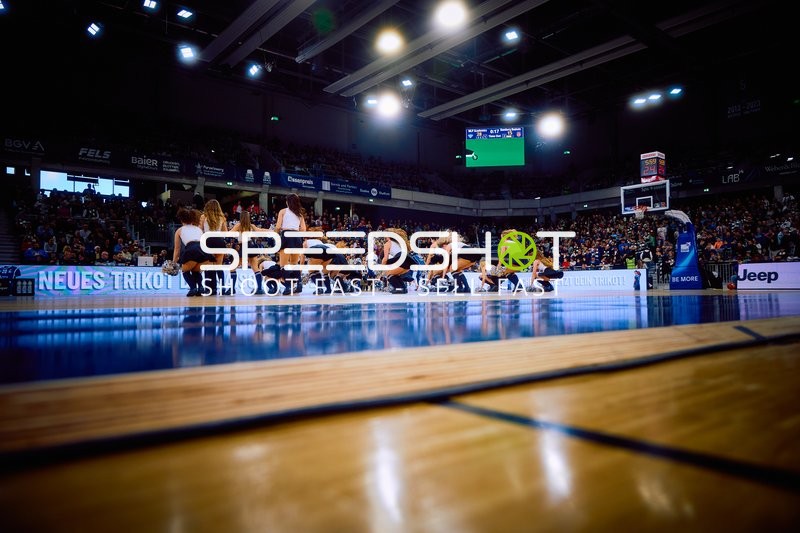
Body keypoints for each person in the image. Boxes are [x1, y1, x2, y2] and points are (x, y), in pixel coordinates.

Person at [173, 207, 214, 296]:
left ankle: (193, 288)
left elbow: (177, 249)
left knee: (185, 270)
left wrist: (174, 263)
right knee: (196, 271)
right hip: (204, 250)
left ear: (181, 219)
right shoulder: (198, 229)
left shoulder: (179, 230)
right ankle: (200, 287)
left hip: (192, 249)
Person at [274, 193, 307, 295]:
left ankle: (288, 286)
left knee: (283, 265)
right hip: (297, 237)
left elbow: (278, 226)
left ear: (287, 202)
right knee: (294, 264)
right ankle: (299, 283)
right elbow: (304, 230)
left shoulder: (283, 211)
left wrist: (275, 234)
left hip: (286, 235)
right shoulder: (300, 214)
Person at [231, 211, 269, 295]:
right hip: (251, 245)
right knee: (256, 268)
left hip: (243, 246)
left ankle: (232, 289)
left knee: (232, 268)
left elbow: (230, 233)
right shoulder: (251, 225)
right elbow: (260, 230)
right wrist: (271, 230)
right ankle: (259, 289)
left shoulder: (238, 225)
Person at [199, 199, 228, 296]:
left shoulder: (204, 216)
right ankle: (223, 288)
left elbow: (200, 230)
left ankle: (210, 289)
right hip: (219, 241)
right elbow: (225, 233)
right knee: (219, 266)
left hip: (208, 240)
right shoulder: (222, 218)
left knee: (209, 266)